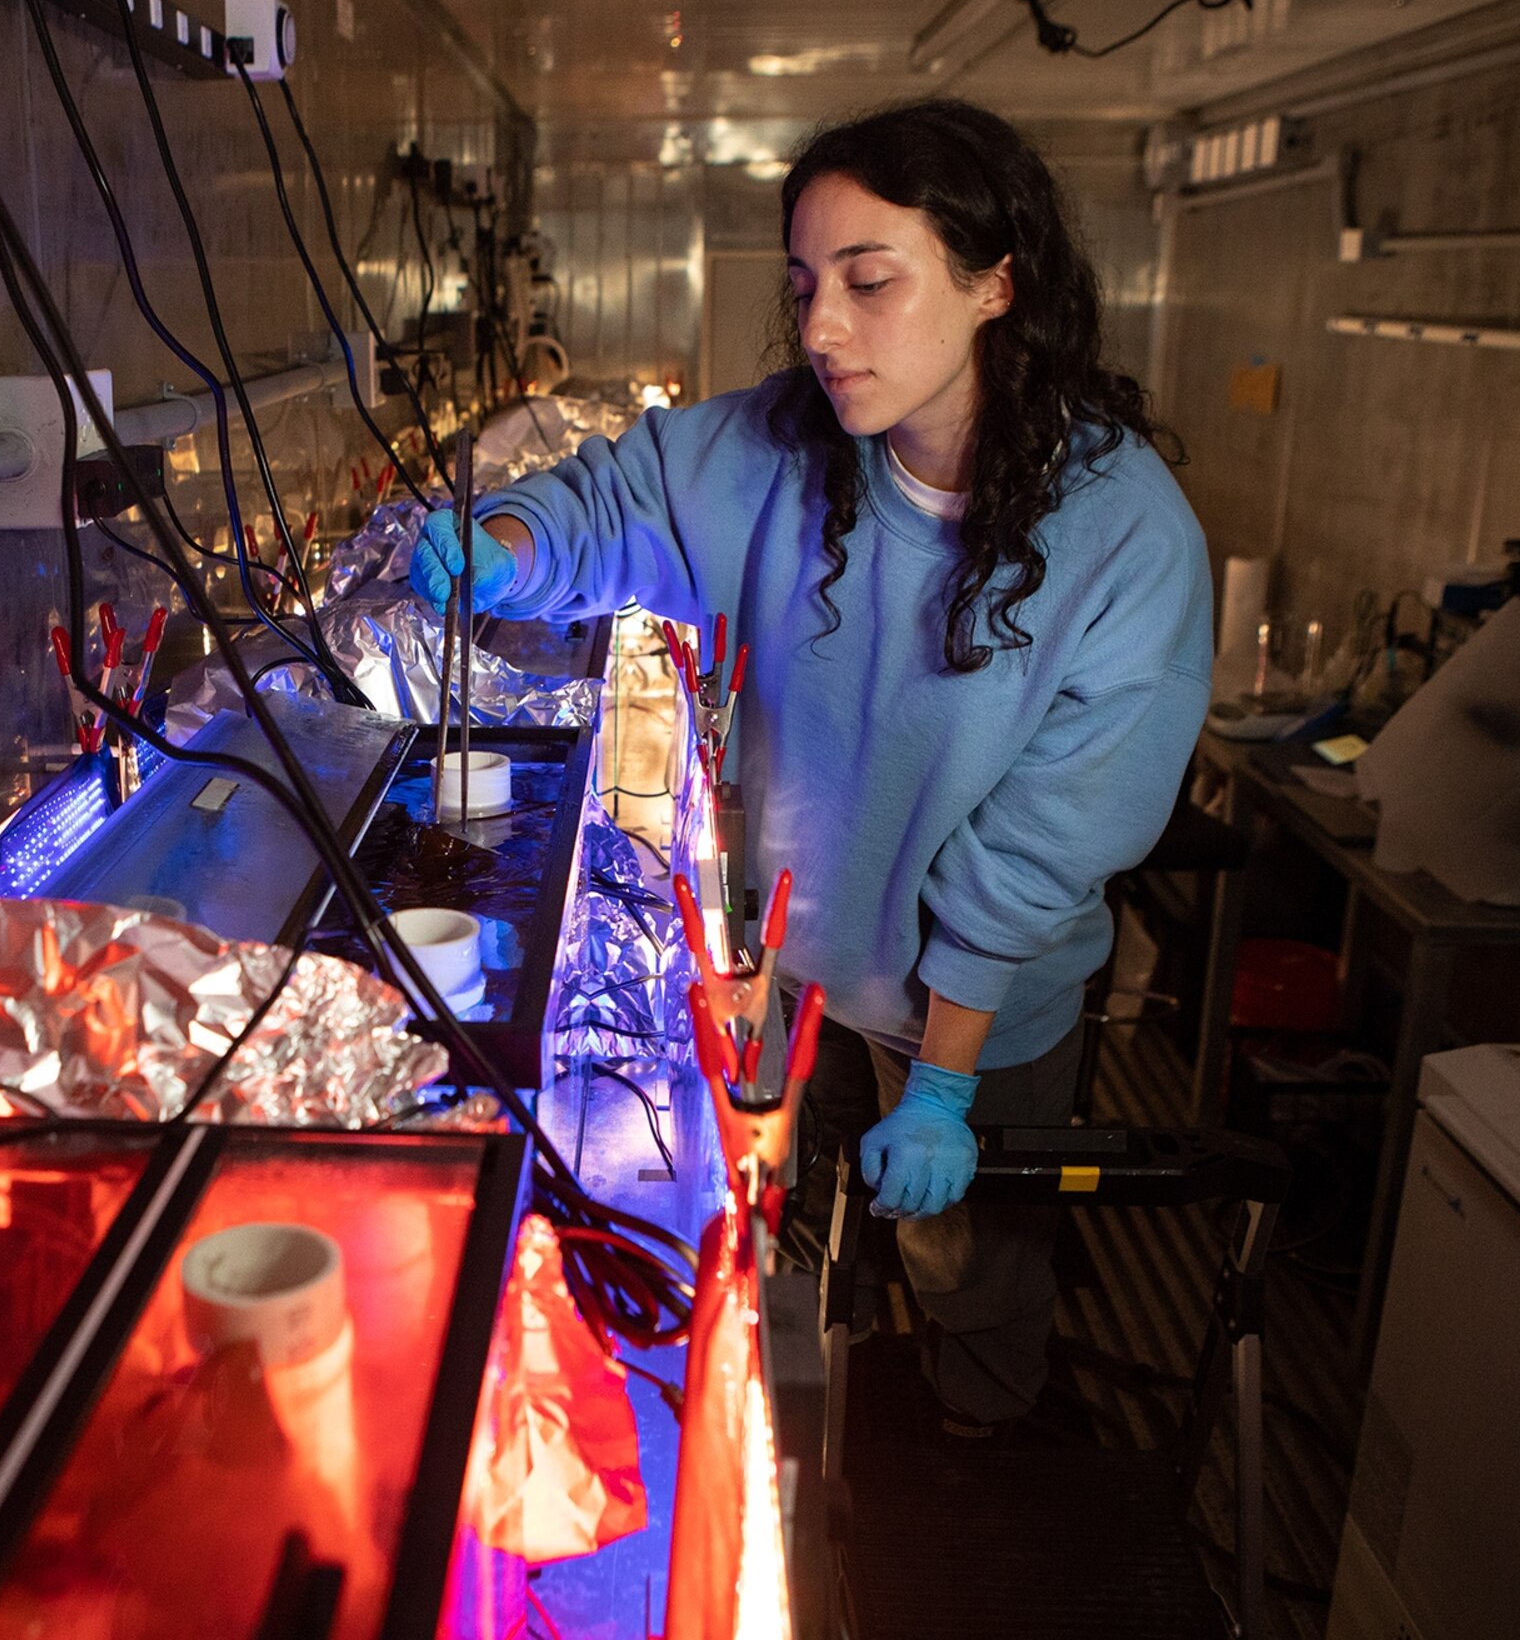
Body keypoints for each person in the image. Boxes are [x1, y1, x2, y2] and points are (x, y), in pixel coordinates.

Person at [412, 96, 1212, 1437]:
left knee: (967, 1273)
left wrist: (949, 1083)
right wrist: (507, 538)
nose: (821, 328)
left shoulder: (1121, 534)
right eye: (804, 287)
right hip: (804, 975)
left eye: (868, 281)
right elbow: (621, 498)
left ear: (997, 281)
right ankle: (827, 1447)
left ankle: (975, 1462)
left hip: (977, 1013)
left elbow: (1036, 848)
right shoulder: (784, 452)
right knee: (804, 1240)